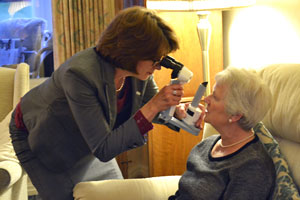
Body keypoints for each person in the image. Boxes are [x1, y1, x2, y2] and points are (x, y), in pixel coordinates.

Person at [9, 6, 202, 200]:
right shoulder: (79, 75)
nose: (158, 66)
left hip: (92, 138)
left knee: (115, 194)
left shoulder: (136, 74)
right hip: (45, 138)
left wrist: (177, 112)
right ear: (132, 52)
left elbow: (153, 108)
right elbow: (104, 148)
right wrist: (153, 106)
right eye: (155, 60)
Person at [169, 67, 276, 200]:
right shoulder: (206, 145)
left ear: (235, 115)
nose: (206, 99)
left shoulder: (253, 167)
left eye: (215, 97)